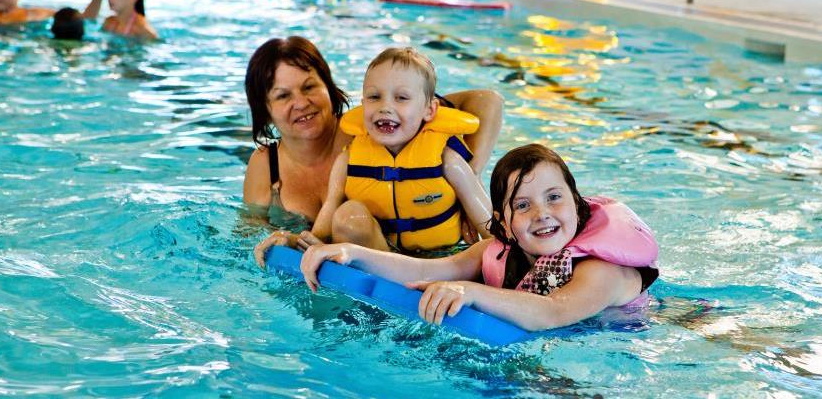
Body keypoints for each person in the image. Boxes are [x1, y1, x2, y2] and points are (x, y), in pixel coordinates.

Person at [293, 144, 660, 331]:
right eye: (523, 205)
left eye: (554, 197)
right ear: (503, 221)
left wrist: (470, 292)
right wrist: (349, 253)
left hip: (637, 337)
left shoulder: (603, 271)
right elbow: (424, 270)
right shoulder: (497, 251)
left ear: (577, 206)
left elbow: (554, 311)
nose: (541, 213)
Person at [247, 37, 503, 257]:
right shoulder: (266, 165)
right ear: (265, 109)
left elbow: (488, 101)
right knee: (350, 216)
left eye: (309, 86)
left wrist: (470, 178)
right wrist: (289, 241)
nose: (301, 102)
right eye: (283, 95)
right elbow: (249, 237)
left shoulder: (379, 130)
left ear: (328, 86)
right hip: (364, 271)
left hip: (437, 258)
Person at [306, 47, 492, 256]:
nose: (385, 107)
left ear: (429, 110)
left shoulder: (447, 160)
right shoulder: (347, 160)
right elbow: (328, 214)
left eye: (402, 98)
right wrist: (311, 245)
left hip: (440, 259)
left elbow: (489, 228)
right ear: (363, 104)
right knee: (347, 216)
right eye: (374, 96)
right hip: (378, 255)